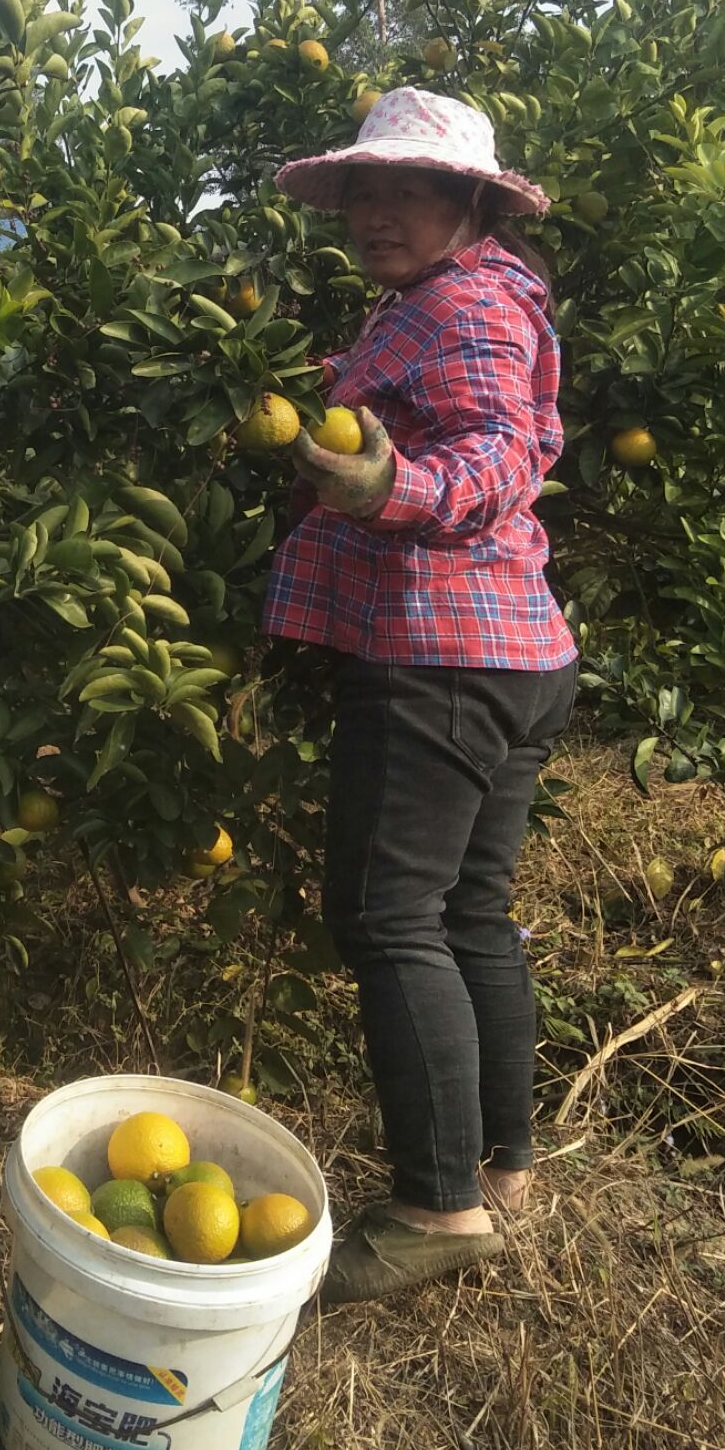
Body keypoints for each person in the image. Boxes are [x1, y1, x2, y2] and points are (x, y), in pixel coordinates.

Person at [261, 86, 578, 1306]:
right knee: (470, 917)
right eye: (365, 191)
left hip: (445, 654)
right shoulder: (454, 298)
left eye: (409, 190)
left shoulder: (469, 307)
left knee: (391, 917)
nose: (377, 213)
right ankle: (504, 1170)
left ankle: (438, 1205)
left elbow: (495, 455)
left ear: (467, 203)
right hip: (512, 654)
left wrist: (392, 486)